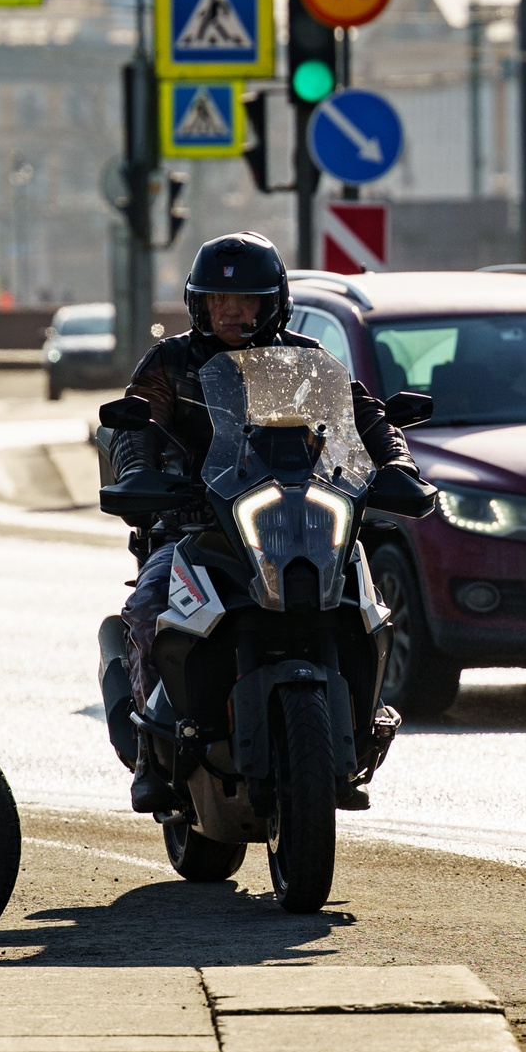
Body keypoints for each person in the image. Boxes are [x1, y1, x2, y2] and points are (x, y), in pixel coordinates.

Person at [104, 231, 421, 813]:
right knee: (150, 605)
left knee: (365, 601)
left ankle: (361, 717)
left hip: (295, 517)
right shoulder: (171, 362)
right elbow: (137, 421)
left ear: (273, 303)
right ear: (199, 304)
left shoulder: (307, 360)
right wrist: (139, 475)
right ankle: (152, 753)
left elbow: (361, 415)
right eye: (219, 301)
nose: (232, 311)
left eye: (247, 301)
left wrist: (396, 462)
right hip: (194, 522)